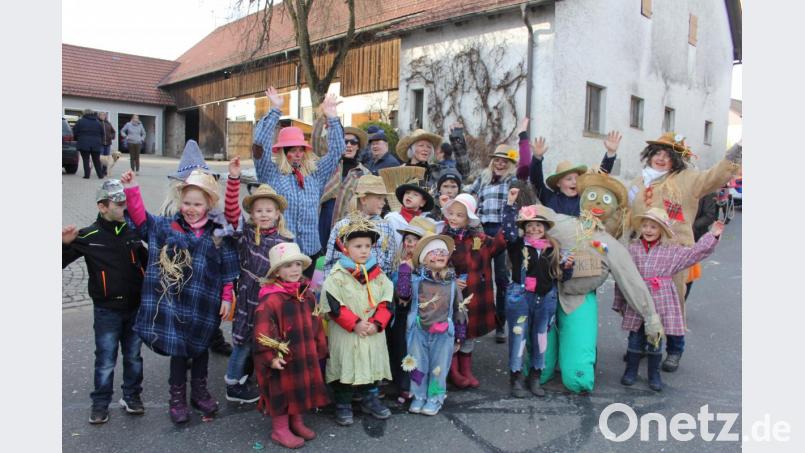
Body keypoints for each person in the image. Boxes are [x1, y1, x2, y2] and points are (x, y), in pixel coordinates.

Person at [121, 169, 239, 424]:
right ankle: (177, 398)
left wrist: (227, 298)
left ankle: (199, 392)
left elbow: (228, 269)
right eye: (187, 203)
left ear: (209, 204)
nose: (191, 208)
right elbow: (142, 221)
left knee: (201, 349)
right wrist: (132, 190)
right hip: (174, 303)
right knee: (179, 351)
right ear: (179, 202)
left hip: (204, 302)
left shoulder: (219, 233)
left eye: (197, 204)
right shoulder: (167, 227)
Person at [627, 134, 741, 342]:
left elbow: (714, 177)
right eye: (657, 153)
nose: (660, 158)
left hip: (673, 252)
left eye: (667, 155)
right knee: (641, 299)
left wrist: (738, 149)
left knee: (672, 302)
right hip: (642, 253)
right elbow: (627, 214)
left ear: (676, 160)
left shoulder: (687, 179)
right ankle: (644, 342)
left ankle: (674, 347)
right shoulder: (638, 181)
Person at [62, 180, 148, 424]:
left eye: (126, 204)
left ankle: (131, 396)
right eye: (119, 204)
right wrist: (63, 244)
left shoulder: (132, 233)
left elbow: (147, 262)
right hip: (107, 311)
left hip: (134, 308)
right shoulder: (88, 236)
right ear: (102, 206)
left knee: (133, 356)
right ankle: (100, 403)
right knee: (106, 359)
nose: (125, 209)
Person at [614, 208, 723, 391]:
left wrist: (712, 235)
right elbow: (623, 275)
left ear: (662, 230)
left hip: (661, 300)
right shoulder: (632, 248)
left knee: (655, 339)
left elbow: (694, 253)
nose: (648, 230)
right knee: (635, 337)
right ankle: (630, 370)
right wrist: (621, 302)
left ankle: (654, 374)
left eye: (653, 227)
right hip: (639, 300)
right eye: (645, 226)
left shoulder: (671, 251)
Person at [222, 157, 294, 403]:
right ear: (252, 214)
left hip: (272, 297)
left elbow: (293, 271)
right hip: (248, 293)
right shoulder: (246, 233)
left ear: (277, 214)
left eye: (269, 210)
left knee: (267, 338)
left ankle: (262, 379)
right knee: (243, 340)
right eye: (259, 210)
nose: (264, 214)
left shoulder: (286, 240)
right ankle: (233, 383)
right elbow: (231, 213)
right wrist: (233, 180)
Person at [252, 87, 344, 278]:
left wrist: (332, 118)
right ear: (283, 152)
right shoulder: (271, 173)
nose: (297, 154)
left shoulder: (315, 174)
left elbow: (337, 151)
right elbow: (259, 146)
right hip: (283, 252)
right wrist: (275, 110)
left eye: (300, 149)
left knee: (306, 301)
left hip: (311, 251)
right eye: (291, 150)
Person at [318, 213, 394, 426]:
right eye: (357, 246)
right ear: (345, 248)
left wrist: (377, 323)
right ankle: (343, 403)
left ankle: (370, 398)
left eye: (367, 246)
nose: (363, 250)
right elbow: (333, 305)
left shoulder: (378, 275)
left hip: (372, 331)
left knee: (371, 364)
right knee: (345, 364)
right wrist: (355, 323)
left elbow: (387, 300)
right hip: (347, 333)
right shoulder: (338, 275)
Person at [159, 140, 233, 356]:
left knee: (208, 308)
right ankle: (183, 348)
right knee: (182, 311)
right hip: (180, 270)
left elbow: (224, 236)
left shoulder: (213, 211)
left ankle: (213, 337)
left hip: (207, 269)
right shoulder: (170, 210)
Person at [253, 242, 329, 449]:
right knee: (282, 390)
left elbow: (316, 321)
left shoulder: (306, 294)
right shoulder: (271, 300)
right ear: (277, 271)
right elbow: (262, 333)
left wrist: (319, 346)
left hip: (304, 351)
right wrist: (271, 357)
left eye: (297, 264)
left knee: (300, 386)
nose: (294, 269)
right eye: (287, 266)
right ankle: (280, 429)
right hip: (282, 357)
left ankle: (296, 421)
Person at [501, 190, 574, 397]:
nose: (534, 229)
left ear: (545, 229)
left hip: (546, 299)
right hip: (520, 298)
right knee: (518, 337)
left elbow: (562, 277)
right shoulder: (517, 245)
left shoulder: (552, 250)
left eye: (538, 226)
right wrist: (510, 204)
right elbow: (507, 231)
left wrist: (568, 267)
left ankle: (535, 377)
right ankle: (515, 377)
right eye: (530, 226)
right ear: (524, 229)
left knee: (540, 338)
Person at [440, 194, 507, 388]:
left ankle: (466, 369)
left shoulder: (478, 239)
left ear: (468, 219)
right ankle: (454, 371)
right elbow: (435, 264)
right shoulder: (443, 238)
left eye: (459, 215)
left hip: (473, 295)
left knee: (468, 333)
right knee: (453, 332)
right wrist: (450, 279)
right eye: (451, 213)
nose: (454, 218)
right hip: (452, 296)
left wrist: (510, 211)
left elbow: (499, 245)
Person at [464, 138, 526, 343]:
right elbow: (468, 193)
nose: (500, 164)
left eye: (504, 161)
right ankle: (474, 321)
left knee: (501, 278)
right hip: (481, 230)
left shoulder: (511, 181)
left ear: (510, 164)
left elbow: (521, 190)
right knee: (478, 276)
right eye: (497, 160)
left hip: (501, 230)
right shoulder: (483, 178)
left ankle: (500, 325)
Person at [401, 233, 467, 416]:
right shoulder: (416, 281)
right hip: (418, 331)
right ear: (424, 259)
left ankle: (435, 398)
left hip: (443, 333)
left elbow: (459, 309)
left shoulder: (451, 283)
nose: (439, 254)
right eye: (434, 252)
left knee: (439, 366)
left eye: (443, 252)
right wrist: (404, 271)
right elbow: (403, 295)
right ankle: (418, 395)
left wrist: (460, 335)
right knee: (417, 365)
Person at [386, 217, 434, 403]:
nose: (409, 243)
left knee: (415, 352)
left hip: (417, 315)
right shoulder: (399, 261)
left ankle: (415, 386)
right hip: (399, 313)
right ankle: (403, 384)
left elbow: (407, 294)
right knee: (400, 349)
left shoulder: (426, 267)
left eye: (414, 240)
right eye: (407, 238)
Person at [529, 131, 622, 216]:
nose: (574, 182)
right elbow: (536, 181)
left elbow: (600, 178)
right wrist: (537, 157)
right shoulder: (549, 197)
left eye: (577, 178)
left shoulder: (585, 198)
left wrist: (611, 153)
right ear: (558, 183)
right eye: (569, 179)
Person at [324, 174, 398, 276]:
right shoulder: (343, 226)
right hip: (346, 284)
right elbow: (331, 262)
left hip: (376, 285)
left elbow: (390, 260)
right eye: (379, 198)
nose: (384, 202)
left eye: (384, 198)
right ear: (363, 200)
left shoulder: (386, 226)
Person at [320, 126, 371, 249]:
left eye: (353, 142)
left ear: (358, 147)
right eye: (345, 141)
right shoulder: (329, 166)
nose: (349, 145)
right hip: (322, 219)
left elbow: (367, 204)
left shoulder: (364, 173)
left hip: (347, 225)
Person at [73, 109, 105, 179]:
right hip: (96, 143)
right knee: (96, 160)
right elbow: (102, 133)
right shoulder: (98, 122)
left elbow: (75, 132)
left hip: (83, 143)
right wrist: (100, 141)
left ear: (84, 114)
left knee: (85, 159)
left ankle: (87, 175)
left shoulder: (80, 121)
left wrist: (77, 139)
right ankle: (100, 175)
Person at [98, 112, 116, 176]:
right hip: (100, 143)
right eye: (101, 115)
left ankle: (105, 171)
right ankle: (99, 171)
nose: (103, 116)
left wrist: (111, 136)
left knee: (107, 158)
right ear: (99, 116)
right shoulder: (97, 123)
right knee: (100, 158)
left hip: (108, 143)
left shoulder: (108, 123)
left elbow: (113, 132)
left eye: (104, 115)